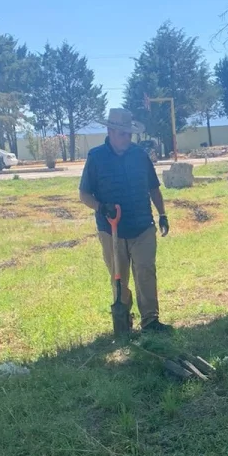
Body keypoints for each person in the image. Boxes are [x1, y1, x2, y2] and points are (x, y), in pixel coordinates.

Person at [79, 108, 171, 333]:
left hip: (142, 226)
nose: (127, 138)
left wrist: (163, 214)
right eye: (122, 134)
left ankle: (150, 320)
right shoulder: (96, 157)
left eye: (129, 134)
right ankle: (123, 320)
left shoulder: (140, 155)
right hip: (111, 230)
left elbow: (153, 188)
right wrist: (101, 207)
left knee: (146, 271)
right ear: (110, 131)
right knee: (119, 277)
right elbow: (84, 194)